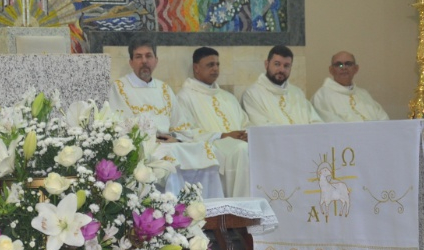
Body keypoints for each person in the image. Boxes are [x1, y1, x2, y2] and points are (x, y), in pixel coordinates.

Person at [107, 35, 223, 198]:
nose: (144, 61)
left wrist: (175, 138)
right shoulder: (119, 88)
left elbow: (181, 126)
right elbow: (120, 127)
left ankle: (210, 213)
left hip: (170, 143)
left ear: (156, 60)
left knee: (206, 154)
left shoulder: (164, 89)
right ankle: (175, 213)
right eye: (138, 57)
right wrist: (151, 139)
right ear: (131, 62)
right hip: (145, 147)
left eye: (149, 56)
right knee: (169, 163)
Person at [176, 47, 251, 198]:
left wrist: (247, 135)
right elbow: (185, 132)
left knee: (249, 147)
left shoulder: (227, 97)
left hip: (235, 146)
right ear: (196, 68)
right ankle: (242, 208)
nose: (215, 69)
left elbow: (245, 122)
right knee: (241, 150)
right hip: (211, 147)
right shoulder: (184, 97)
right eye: (210, 65)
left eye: (217, 64)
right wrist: (222, 135)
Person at [241, 45, 322, 127]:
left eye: (286, 66)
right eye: (277, 64)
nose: (282, 69)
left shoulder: (297, 93)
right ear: (266, 64)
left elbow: (316, 122)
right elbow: (261, 127)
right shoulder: (252, 94)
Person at [311, 51, 389, 122]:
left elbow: (383, 119)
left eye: (348, 64)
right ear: (331, 70)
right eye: (339, 64)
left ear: (356, 69)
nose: (344, 68)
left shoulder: (363, 94)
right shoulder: (322, 95)